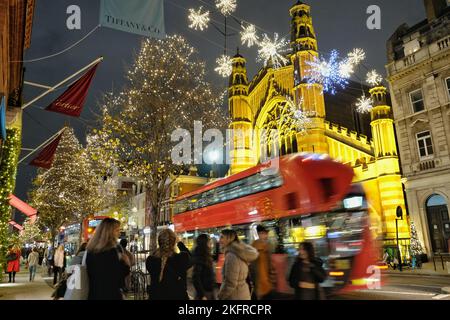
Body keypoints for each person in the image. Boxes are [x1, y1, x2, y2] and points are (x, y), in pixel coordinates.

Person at [86, 218, 130, 300]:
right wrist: (126, 263)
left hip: (94, 294)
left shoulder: (90, 250)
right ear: (109, 232)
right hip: (110, 294)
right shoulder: (111, 251)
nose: (119, 233)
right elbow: (118, 278)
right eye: (117, 230)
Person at [146, 228, 192, 300]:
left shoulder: (151, 260)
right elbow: (191, 258)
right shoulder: (182, 258)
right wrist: (179, 242)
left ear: (159, 242)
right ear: (174, 242)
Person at [217, 229, 258, 300]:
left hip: (235, 296)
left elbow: (230, 283)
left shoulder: (231, 256)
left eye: (222, 237)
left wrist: (220, 296)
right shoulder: (239, 253)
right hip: (243, 293)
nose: (219, 240)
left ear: (229, 238)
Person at [250, 225, 277, 300]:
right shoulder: (255, 248)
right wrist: (257, 286)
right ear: (259, 234)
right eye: (264, 233)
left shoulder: (267, 246)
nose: (266, 235)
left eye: (266, 233)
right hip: (261, 285)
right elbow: (254, 269)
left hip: (268, 283)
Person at [192, 234, 217, 300]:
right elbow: (195, 278)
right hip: (205, 293)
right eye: (209, 240)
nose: (211, 242)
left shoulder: (207, 255)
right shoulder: (200, 257)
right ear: (204, 243)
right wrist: (202, 295)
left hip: (210, 291)